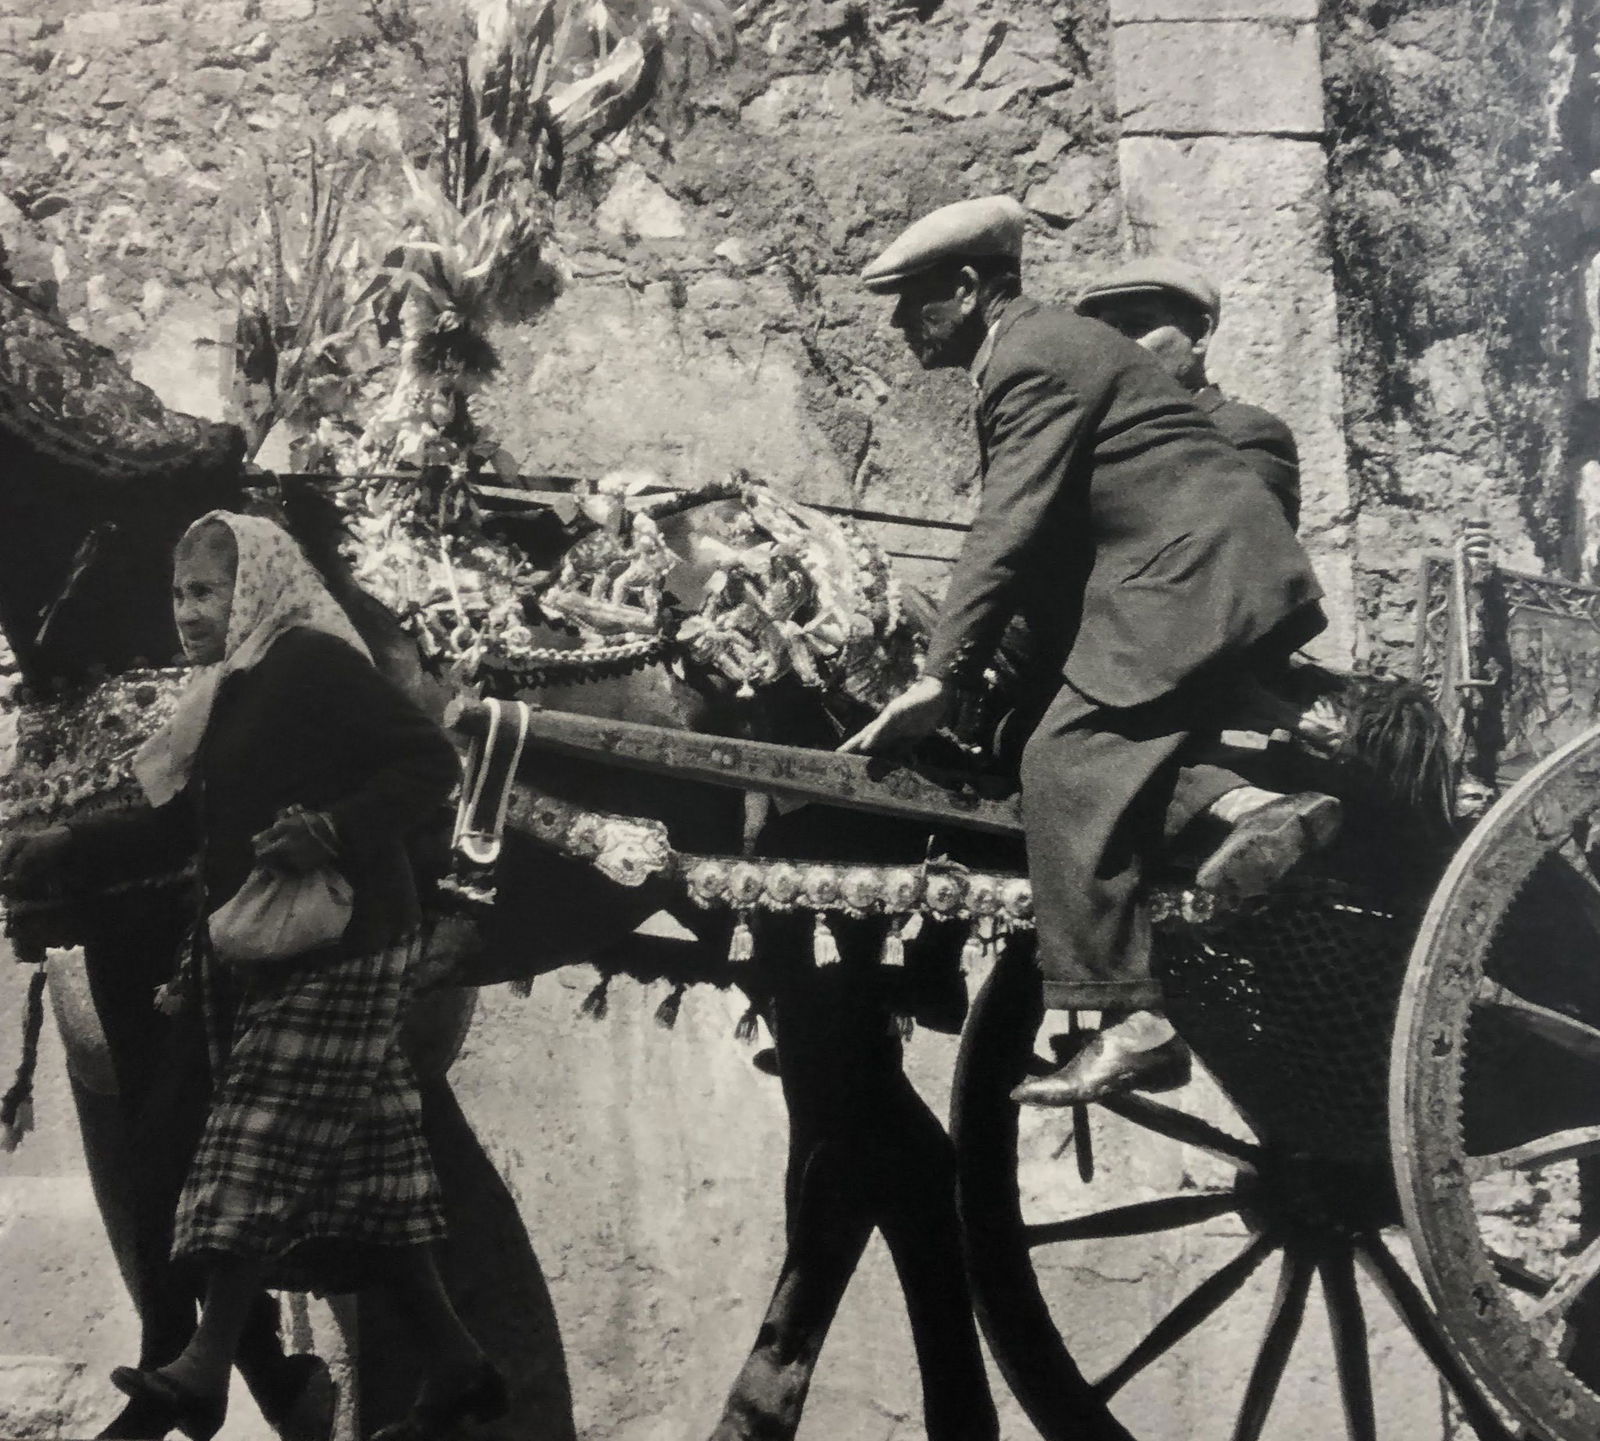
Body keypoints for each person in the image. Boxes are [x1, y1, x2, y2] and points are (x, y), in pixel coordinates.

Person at [0, 513, 497, 1441]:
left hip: (350, 940)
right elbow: (187, 826)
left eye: (206, 593)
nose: (187, 612)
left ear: (257, 585)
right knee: (375, 1172)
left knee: (243, 1145)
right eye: (179, 593)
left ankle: (201, 1367)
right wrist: (67, 844)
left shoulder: (311, 662)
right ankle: (461, 1367)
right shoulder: (227, 689)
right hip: (270, 950)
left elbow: (432, 762)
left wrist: (336, 828)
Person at [840, 197, 1337, 1107]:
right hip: (1169, 581)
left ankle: (1134, 1022)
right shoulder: (1037, 352)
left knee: (1064, 758)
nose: (900, 323)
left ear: (966, 286)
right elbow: (1048, 548)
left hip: (1195, 581)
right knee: (1053, 737)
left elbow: (1009, 532)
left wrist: (936, 679)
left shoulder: (1030, 358)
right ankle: (1255, 812)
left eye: (913, 299)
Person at [1074, 257, 1302, 530]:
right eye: (1106, 332)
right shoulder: (1088, 439)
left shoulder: (1245, 434)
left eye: (1137, 326)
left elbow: (1229, 545)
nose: (1117, 346)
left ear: (1199, 335)